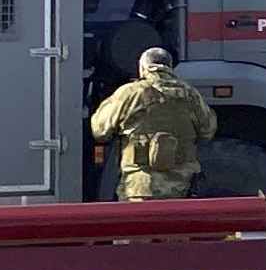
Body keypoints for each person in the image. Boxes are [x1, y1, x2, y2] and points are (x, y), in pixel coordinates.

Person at [90, 47, 217, 201]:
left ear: (142, 68)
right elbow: (208, 130)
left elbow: (100, 131)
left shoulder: (130, 93)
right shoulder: (190, 94)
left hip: (138, 190)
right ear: (170, 67)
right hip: (181, 190)